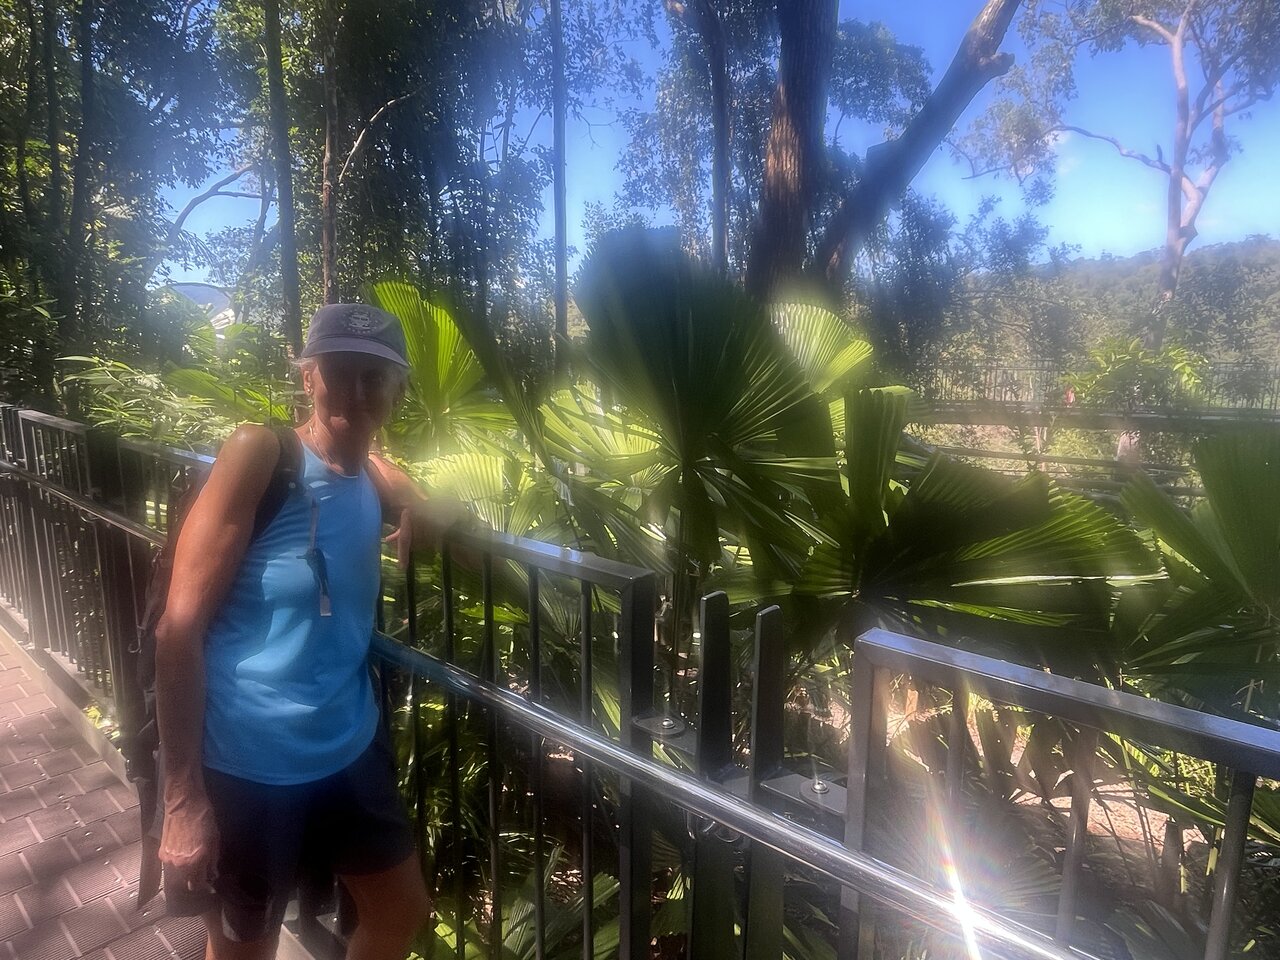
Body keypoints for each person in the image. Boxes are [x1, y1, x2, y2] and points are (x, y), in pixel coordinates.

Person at [154, 304, 441, 960]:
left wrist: (424, 505)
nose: (357, 392)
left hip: (350, 743)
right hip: (250, 759)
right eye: (340, 372)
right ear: (308, 376)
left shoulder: (372, 472)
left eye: (375, 377)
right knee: (244, 947)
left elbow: (398, 483)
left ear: (398, 391)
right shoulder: (261, 452)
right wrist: (182, 799)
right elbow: (177, 630)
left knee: (400, 909)